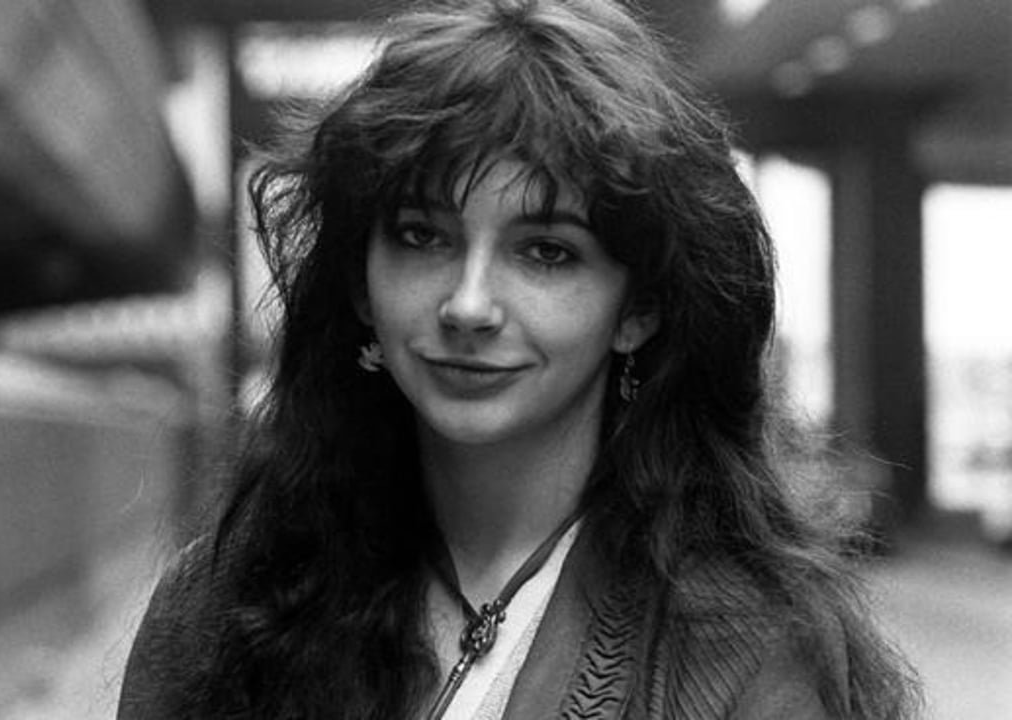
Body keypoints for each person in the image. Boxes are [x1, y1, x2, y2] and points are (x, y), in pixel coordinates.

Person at [118, 0, 921, 718]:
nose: (468, 305)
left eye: (544, 252)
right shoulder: (221, 609)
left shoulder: (743, 650)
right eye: (421, 237)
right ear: (361, 284)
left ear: (636, 309)